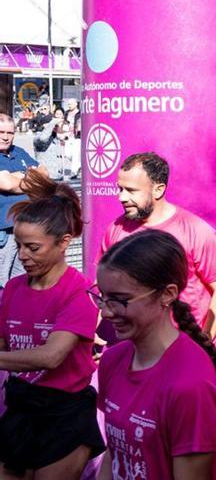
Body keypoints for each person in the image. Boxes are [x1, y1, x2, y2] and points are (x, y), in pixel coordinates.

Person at [96, 230, 216, 479]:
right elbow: (116, 454)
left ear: (167, 294)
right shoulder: (112, 360)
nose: (107, 312)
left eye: (120, 300)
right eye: (103, 297)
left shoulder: (189, 383)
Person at [0, 171, 103, 477]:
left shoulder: (80, 291)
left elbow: (51, 356)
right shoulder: (14, 289)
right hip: (20, 408)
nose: (23, 256)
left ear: (64, 243)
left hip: (65, 414)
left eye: (33, 248)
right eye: (19, 245)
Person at [100, 153, 216, 335]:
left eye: (131, 190)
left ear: (158, 190)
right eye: (120, 189)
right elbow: (104, 286)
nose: (121, 197)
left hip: (187, 348)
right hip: (137, 350)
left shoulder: (196, 230)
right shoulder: (116, 228)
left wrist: (204, 342)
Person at [0, 114, 39, 287]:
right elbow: (6, 184)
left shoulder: (19, 152)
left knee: (22, 283)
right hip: (4, 232)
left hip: (25, 228)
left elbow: (43, 174)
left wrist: (17, 177)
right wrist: (28, 178)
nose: (6, 137)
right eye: (1, 132)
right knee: (2, 284)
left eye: (10, 132)